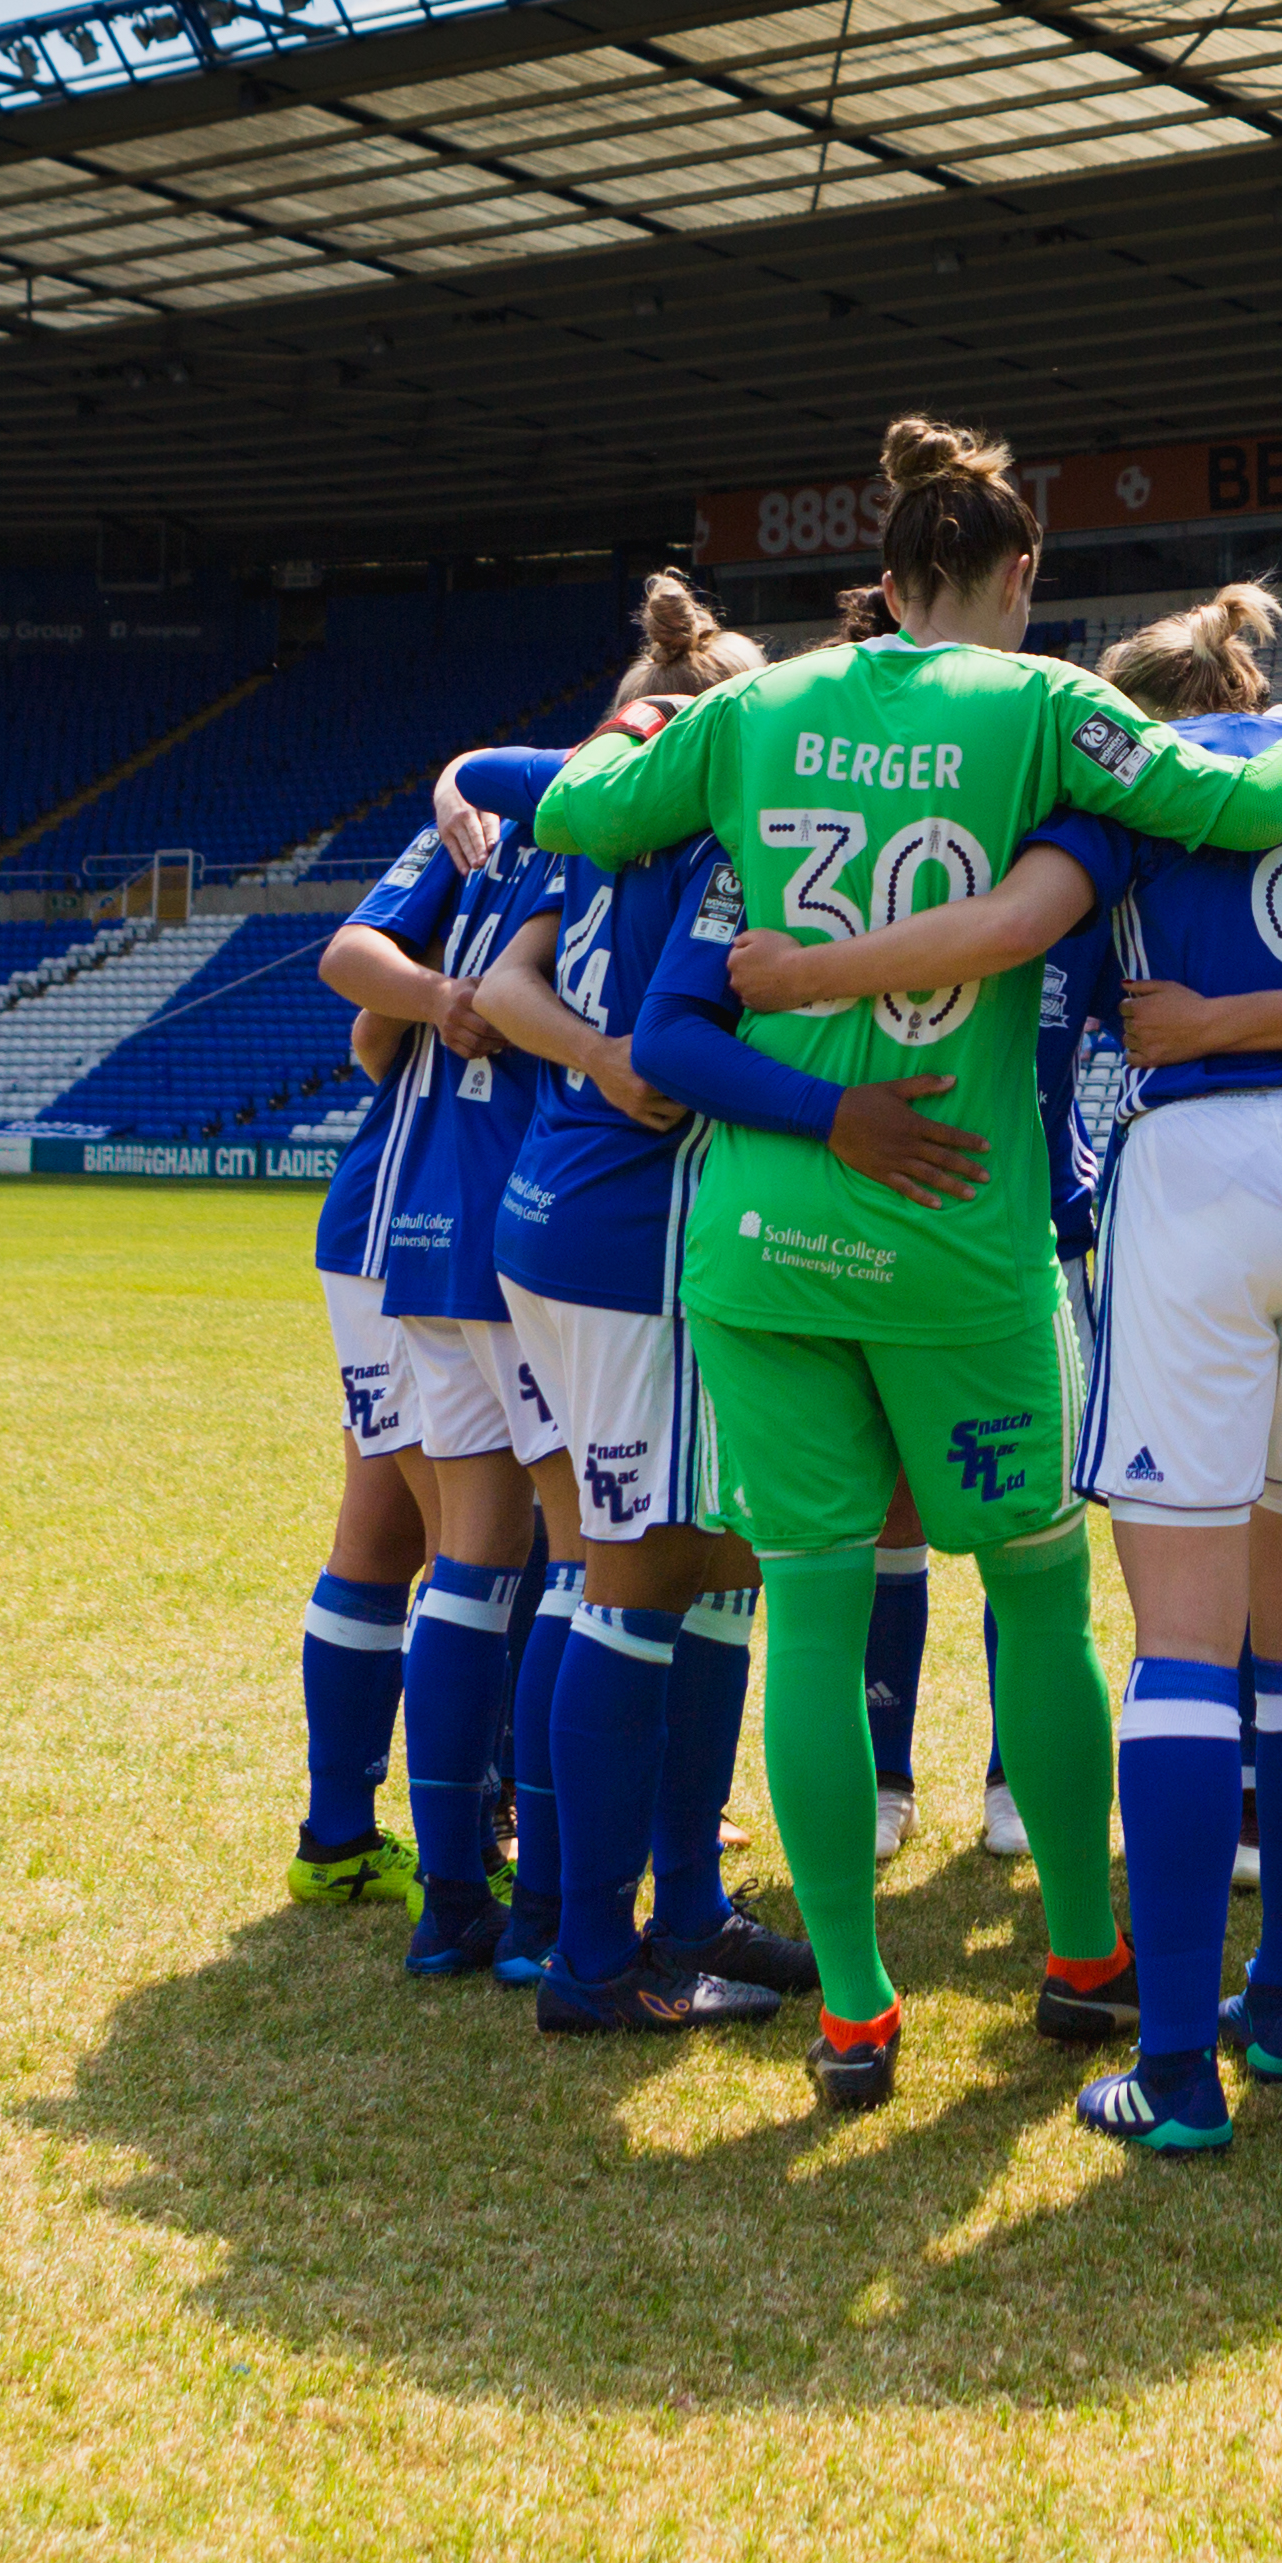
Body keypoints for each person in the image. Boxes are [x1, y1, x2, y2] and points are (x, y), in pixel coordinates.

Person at [527, 417, 1282, 2115]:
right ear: (1020, 573)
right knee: (1032, 1590)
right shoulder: (1047, 706)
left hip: (763, 1240)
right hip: (958, 1234)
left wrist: (577, 755)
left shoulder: (753, 709)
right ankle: (1084, 1953)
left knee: (809, 1601)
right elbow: (1244, 801)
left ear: (882, 574)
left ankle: (855, 2010)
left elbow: (574, 801)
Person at [729, 583, 1282, 2151]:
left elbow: (1005, 931)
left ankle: (1177, 2070)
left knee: (1182, 1645)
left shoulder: (1123, 777)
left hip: (1191, 1180)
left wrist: (799, 976)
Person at [476, 582, 826, 2034]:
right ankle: (597, 1962)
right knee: (634, 1576)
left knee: (698, 1568)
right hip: (640, 1236)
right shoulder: (719, 819)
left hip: (557, 1216)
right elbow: (673, 1048)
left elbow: (503, 926)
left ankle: (676, 1907)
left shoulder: (601, 803)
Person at [291, 770, 553, 1918]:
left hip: (421, 1221)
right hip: (404, 1226)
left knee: (409, 1525)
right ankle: (460, 1828)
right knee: (459, 1536)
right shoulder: (494, 831)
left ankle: (366, 1829)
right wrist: (441, 994)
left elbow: (364, 1039)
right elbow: (358, 996)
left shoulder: (520, 825)